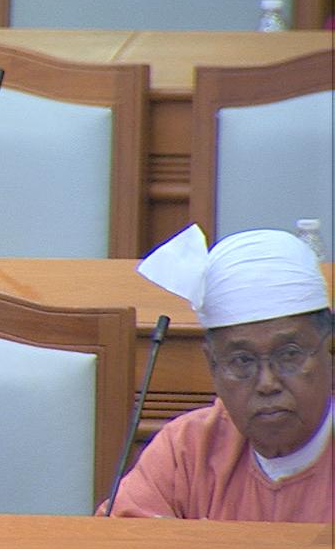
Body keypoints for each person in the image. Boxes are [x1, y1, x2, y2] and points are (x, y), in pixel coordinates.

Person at [104, 224, 332, 522]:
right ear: (213, 366)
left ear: (330, 351)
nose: (267, 383)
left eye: (289, 355)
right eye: (242, 361)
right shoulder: (186, 450)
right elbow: (120, 540)